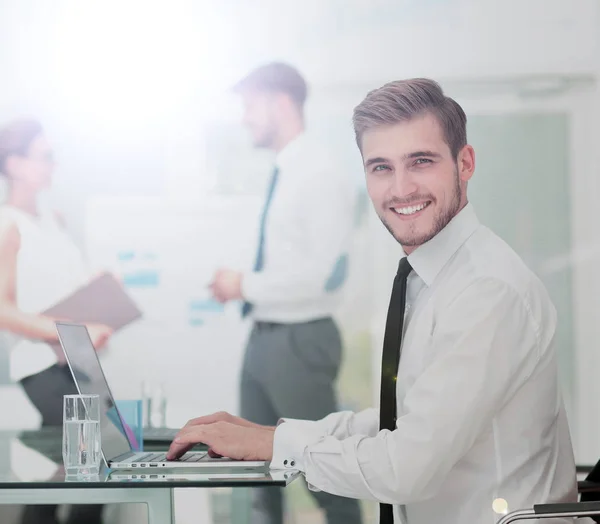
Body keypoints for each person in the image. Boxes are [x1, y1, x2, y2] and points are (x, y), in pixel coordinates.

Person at [168, 78, 578, 523]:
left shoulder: (487, 291)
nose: (400, 189)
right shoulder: (431, 278)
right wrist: (271, 435)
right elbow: (398, 421)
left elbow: (405, 468)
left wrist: (272, 446)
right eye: (381, 167)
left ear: (465, 163)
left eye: (420, 162)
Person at [208, 62, 362, 524]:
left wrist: (244, 285)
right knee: (254, 477)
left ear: (281, 103)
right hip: (264, 339)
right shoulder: (284, 172)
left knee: (324, 477)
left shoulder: (319, 173)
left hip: (299, 340)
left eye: (250, 105)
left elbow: (318, 276)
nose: (244, 117)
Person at [0, 118, 112, 524]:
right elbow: (3, 310)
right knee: (85, 465)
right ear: (13, 164)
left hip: (76, 360)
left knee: (85, 470)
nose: (52, 164)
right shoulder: (6, 224)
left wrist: (100, 291)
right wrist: (70, 332)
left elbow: (66, 293)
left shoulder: (54, 220)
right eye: (44, 157)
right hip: (44, 365)